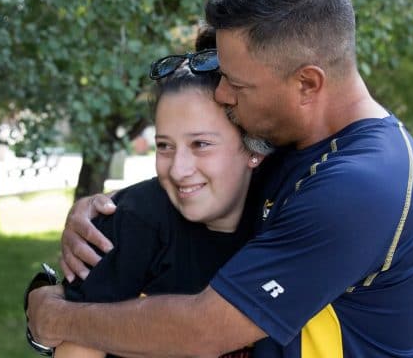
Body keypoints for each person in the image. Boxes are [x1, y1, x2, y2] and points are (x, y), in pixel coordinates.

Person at [28, 0, 413, 356]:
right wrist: (104, 209)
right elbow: (208, 177)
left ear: (307, 83)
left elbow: (204, 330)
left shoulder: (361, 187)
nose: (220, 95)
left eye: (236, 83)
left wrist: (58, 317)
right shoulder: (295, 145)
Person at [51, 27, 268, 358]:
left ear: (254, 148)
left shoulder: (284, 214)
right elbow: (75, 347)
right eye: (164, 146)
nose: (178, 169)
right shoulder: (132, 221)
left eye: (201, 144)